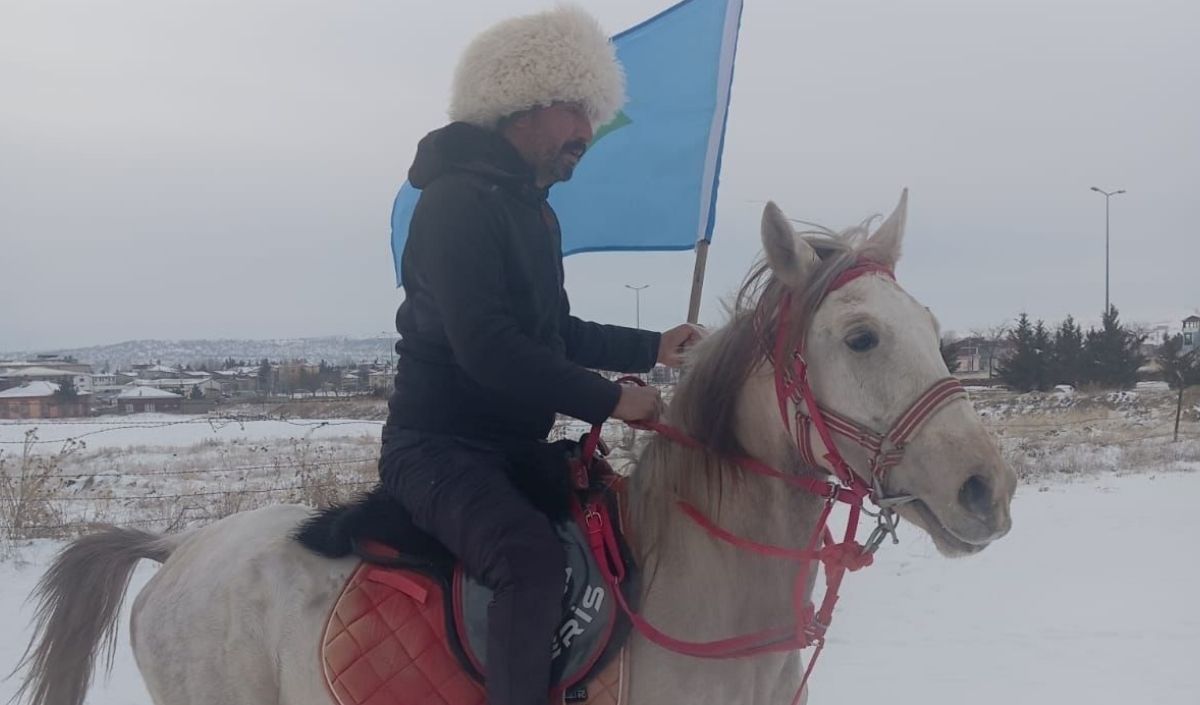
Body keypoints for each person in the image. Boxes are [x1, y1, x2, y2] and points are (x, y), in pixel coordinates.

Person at [378, 5, 702, 705]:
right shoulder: (456, 204)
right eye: (576, 110)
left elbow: (553, 330)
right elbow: (488, 349)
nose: (588, 132)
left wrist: (653, 346)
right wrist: (613, 399)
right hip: (436, 452)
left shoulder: (533, 211)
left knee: (620, 520)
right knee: (531, 561)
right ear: (519, 102)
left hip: (506, 448)